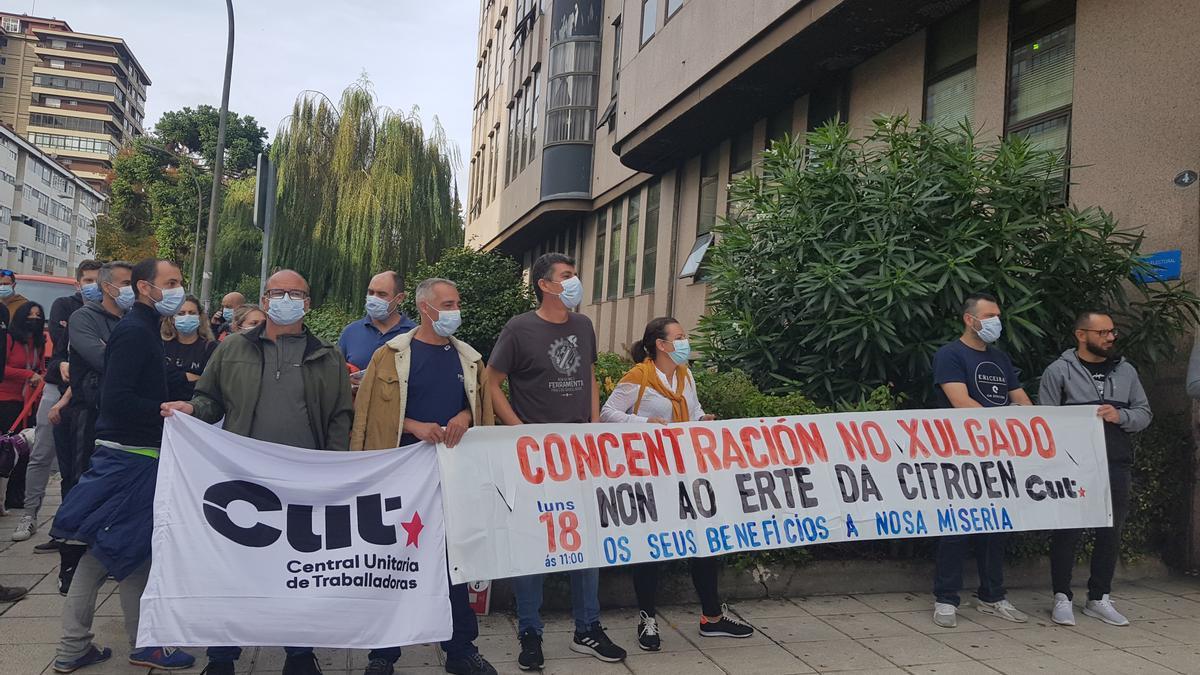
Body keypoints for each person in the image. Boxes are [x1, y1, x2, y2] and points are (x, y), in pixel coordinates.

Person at [163, 269, 353, 675]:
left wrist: (333, 470)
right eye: (277, 292)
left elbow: (340, 417)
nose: (286, 298)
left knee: (300, 571)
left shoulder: (327, 356)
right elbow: (209, 398)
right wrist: (192, 410)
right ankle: (221, 656)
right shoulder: (231, 348)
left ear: (308, 303)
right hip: (242, 480)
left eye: (295, 293)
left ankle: (299, 654)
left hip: (304, 483)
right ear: (264, 300)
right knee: (233, 568)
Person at [50, 258, 195, 673]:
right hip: (130, 458)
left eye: (180, 283)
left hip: (132, 456)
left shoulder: (144, 330)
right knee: (107, 553)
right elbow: (118, 400)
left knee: (130, 550)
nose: (177, 290)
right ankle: (85, 644)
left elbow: (160, 378)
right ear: (147, 288)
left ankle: (111, 643)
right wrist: (166, 410)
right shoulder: (134, 332)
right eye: (170, 283)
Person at [485, 253, 626, 669]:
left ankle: (588, 628)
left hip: (579, 454)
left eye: (574, 274)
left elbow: (591, 375)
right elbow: (491, 383)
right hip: (535, 457)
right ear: (545, 285)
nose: (575, 281)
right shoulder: (519, 329)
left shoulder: (583, 325)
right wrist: (519, 430)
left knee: (586, 542)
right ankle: (530, 632)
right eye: (566, 276)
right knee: (533, 543)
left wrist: (594, 425)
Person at [350, 277, 496, 675]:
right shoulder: (390, 355)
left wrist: (465, 416)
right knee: (393, 562)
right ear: (425, 307)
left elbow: (481, 409)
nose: (454, 311)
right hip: (401, 480)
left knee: (454, 564)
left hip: (451, 478)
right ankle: (383, 653)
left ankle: (460, 649)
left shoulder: (469, 358)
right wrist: (413, 425)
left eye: (456, 303)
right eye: (447, 304)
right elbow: (366, 416)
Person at [600, 317, 753, 650]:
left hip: (686, 471)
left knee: (703, 540)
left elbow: (693, 411)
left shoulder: (685, 375)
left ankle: (712, 617)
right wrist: (643, 422)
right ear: (661, 344)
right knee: (651, 546)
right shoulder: (638, 378)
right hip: (649, 473)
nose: (685, 342)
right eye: (680, 337)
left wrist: (703, 420)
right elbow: (607, 414)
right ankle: (647, 620)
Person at [1039, 310, 1151, 627]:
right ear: (1081, 334)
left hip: (1115, 462)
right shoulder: (1058, 371)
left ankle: (1099, 597)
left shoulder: (1126, 371)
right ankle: (1061, 596)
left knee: (1110, 531)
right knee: (1067, 529)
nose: (1110, 338)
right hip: (1073, 465)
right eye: (1102, 333)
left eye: (1112, 332)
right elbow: (1045, 421)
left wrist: (1121, 417)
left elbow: (1144, 413)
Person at [930, 292, 1031, 628]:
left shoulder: (1000, 358)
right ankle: (946, 599)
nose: (995, 322)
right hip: (960, 454)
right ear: (969, 319)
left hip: (999, 454)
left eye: (998, 315)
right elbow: (960, 401)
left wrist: (1029, 418)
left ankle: (992, 596)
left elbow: (1020, 399)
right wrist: (1007, 418)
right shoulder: (950, 355)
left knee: (997, 528)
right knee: (956, 527)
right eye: (989, 316)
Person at [13, 260, 102, 545]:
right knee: (42, 452)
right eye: (88, 280)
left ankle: (74, 525)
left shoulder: (112, 313)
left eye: (99, 281)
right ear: (78, 283)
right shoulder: (64, 305)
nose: (94, 286)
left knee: (79, 462)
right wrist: (63, 362)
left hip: (87, 391)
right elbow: (63, 346)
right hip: (57, 385)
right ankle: (29, 514)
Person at [1, 301, 46, 511]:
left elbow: (41, 368)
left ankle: (15, 495)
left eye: (39, 315)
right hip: (7, 400)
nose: (35, 319)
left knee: (23, 451)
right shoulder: (9, 340)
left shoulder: (38, 343)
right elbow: (5, 369)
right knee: (8, 449)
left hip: (29, 403)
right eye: (31, 315)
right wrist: (28, 375)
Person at [337, 271, 416, 372]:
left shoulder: (414, 334)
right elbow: (335, 372)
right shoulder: (350, 332)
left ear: (399, 298)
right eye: (370, 292)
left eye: (381, 294)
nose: (374, 298)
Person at [160, 295, 217, 399]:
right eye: (181, 314)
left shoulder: (210, 348)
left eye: (192, 313)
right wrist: (186, 376)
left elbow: (211, 383)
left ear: (199, 317)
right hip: (164, 407)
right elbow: (157, 377)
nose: (186, 316)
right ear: (172, 319)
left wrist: (174, 376)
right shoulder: (161, 345)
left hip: (195, 410)